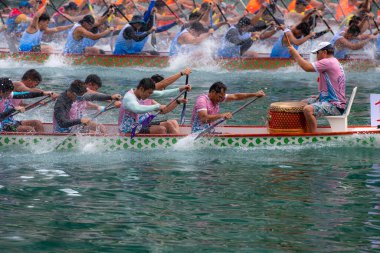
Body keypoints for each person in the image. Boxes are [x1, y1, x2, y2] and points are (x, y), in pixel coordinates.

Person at [287, 41, 346, 133]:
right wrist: (321, 95)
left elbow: (306, 67)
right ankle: (304, 129)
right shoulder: (334, 61)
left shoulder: (328, 62)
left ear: (324, 53)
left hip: (335, 106)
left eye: (317, 53)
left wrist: (295, 53)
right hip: (328, 100)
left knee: (307, 110)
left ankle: (312, 136)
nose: (316, 57)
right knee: (302, 103)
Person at [118, 78, 190, 135]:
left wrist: (180, 89)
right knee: (161, 129)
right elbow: (137, 109)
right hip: (127, 130)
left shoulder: (143, 92)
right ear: (141, 89)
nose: (150, 95)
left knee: (171, 123)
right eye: (149, 93)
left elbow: (162, 93)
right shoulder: (129, 97)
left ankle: (176, 145)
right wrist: (157, 106)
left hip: (138, 125)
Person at [191, 82, 265, 133]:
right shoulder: (202, 100)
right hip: (197, 132)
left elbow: (236, 96)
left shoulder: (219, 96)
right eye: (219, 97)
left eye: (222, 97)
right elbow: (204, 119)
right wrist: (222, 115)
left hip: (208, 130)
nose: (221, 100)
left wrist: (255, 94)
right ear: (213, 92)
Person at [53, 80, 121, 133]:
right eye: (79, 96)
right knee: (94, 131)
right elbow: (62, 123)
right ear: (73, 93)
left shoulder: (75, 95)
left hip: (73, 127)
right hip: (62, 132)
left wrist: (111, 97)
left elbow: (93, 96)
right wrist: (80, 120)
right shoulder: (60, 104)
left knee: (100, 128)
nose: (80, 98)